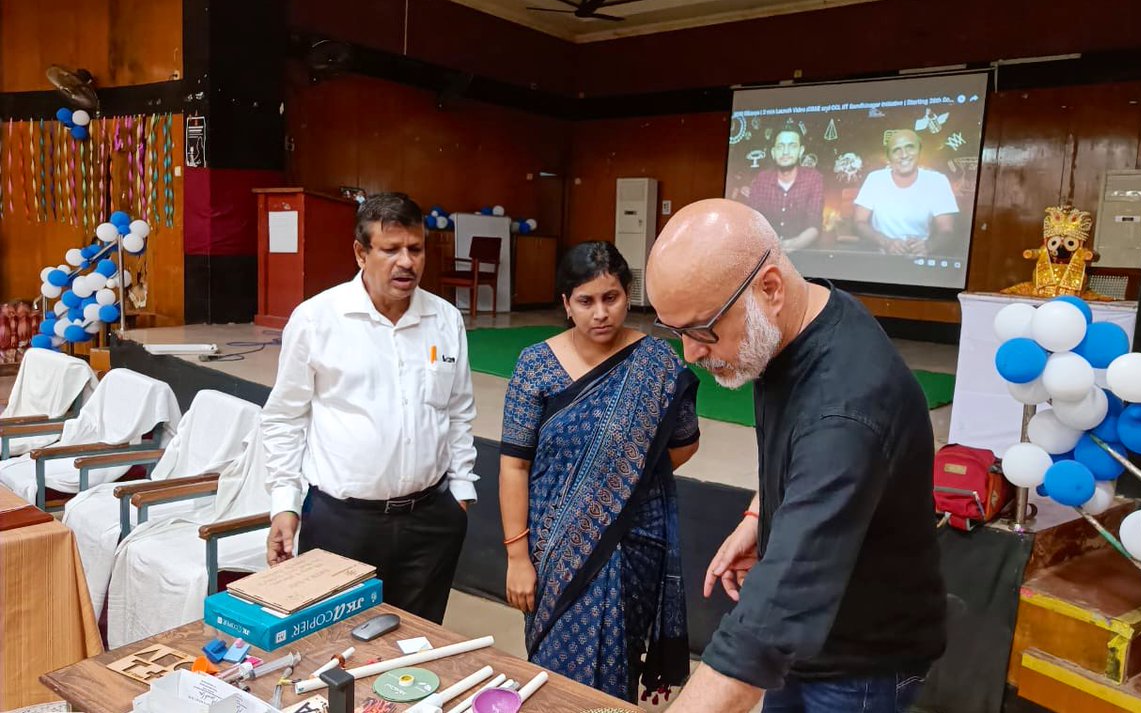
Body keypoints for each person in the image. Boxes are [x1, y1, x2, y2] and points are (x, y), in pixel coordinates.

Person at [645, 199, 945, 713]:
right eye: (676, 332)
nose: (690, 353)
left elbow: (766, 630)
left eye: (701, 329)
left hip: (859, 661)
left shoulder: (845, 409)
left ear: (770, 288)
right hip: (809, 644)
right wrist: (761, 514)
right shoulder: (798, 321)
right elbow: (806, 454)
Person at [498, 241, 700, 702]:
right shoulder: (536, 365)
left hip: (632, 544)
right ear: (566, 304)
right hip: (554, 549)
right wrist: (517, 557)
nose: (601, 313)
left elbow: (685, 443)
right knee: (554, 673)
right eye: (586, 301)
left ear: (628, 295)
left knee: (619, 663)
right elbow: (514, 464)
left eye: (611, 297)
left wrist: (624, 481)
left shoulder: (657, 363)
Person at [262, 192, 477, 624]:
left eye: (415, 249)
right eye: (391, 249)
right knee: (335, 643)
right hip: (343, 522)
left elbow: (458, 411)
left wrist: (461, 494)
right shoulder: (317, 319)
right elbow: (285, 416)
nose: (407, 262)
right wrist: (285, 502)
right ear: (361, 253)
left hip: (431, 521)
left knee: (416, 642)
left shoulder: (444, 319)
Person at [854, 129, 958, 256]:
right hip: (882, 257)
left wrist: (928, 246)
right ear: (888, 157)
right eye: (896, 150)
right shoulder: (875, 179)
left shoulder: (937, 181)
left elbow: (946, 230)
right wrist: (887, 243)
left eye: (910, 147)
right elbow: (860, 223)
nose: (904, 155)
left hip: (921, 257)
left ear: (919, 150)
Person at [740, 129, 824, 252]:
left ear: (801, 151)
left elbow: (814, 225)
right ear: (773, 152)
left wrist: (792, 245)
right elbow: (752, 221)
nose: (785, 152)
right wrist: (771, 249)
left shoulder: (813, 179)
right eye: (780, 146)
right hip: (766, 252)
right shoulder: (762, 179)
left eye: (792, 146)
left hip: (802, 253)